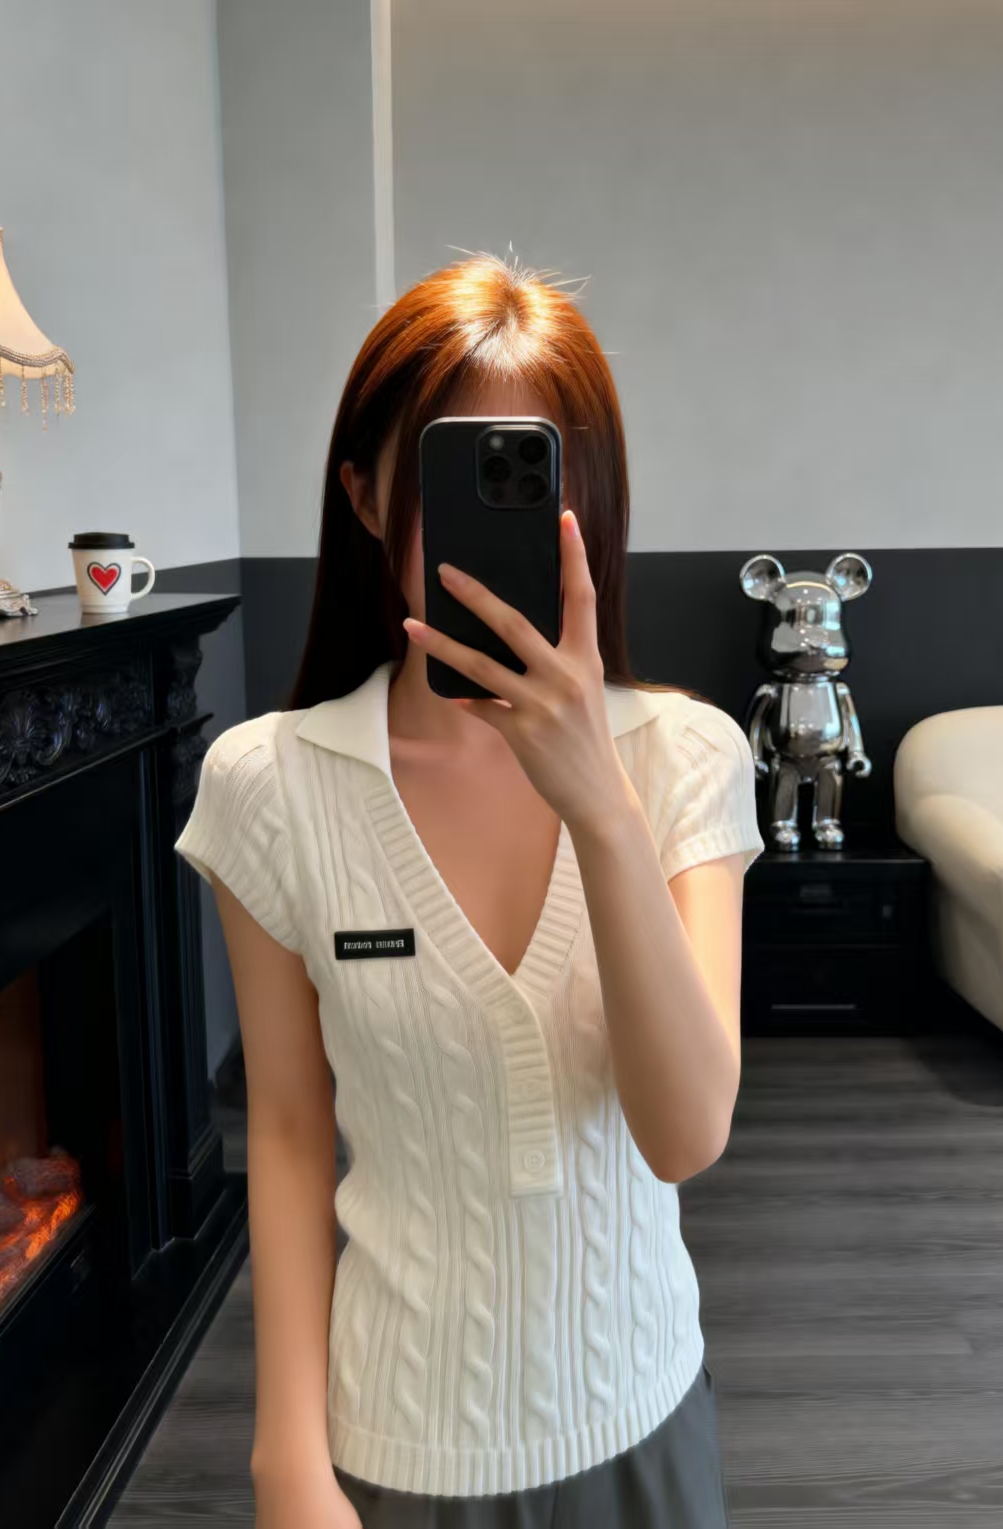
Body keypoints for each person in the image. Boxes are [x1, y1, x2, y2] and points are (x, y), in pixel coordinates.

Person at [175, 253, 764, 1528]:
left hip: (641, 1410)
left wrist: (599, 805)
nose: (506, 530)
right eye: (460, 478)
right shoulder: (271, 785)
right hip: (395, 1437)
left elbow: (684, 1134)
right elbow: (287, 1124)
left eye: (540, 476)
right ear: (367, 496)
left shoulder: (684, 758)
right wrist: (286, 1457)